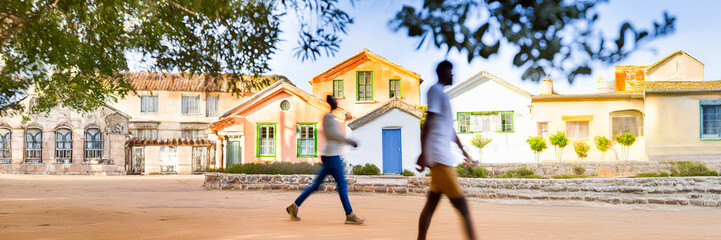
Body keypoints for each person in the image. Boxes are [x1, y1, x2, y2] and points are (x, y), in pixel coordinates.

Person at [416, 60, 478, 240]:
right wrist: (423, 153)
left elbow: (451, 132)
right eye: (450, 71)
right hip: (440, 159)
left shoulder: (443, 95)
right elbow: (428, 123)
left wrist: (466, 154)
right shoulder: (435, 91)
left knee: (431, 204)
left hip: (442, 157)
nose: (453, 75)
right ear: (443, 72)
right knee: (463, 207)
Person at [286, 95, 365, 225]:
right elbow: (332, 135)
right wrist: (349, 141)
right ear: (330, 103)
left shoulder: (330, 117)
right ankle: (349, 215)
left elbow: (332, 135)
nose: (336, 101)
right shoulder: (328, 117)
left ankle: (294, 207)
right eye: (334, 100)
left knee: (317, 186)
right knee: (342, 185)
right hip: (332, 157)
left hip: (331, 156)